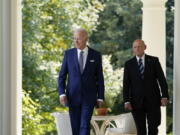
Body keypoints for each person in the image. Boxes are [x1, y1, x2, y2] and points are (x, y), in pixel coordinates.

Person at [58, 28, 105, 135]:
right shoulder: (68, 54)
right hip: (72, 96)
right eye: (74, 39)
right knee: (75, 126)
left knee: (84, 125)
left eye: (78, 39)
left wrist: (100, 97)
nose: (76, 41)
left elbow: (100, 78)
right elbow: (62, 76)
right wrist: (62, 94)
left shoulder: (95, 55)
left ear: (86, 39)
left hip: (89, 97)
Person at [123, 39, 169, 135]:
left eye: (139, 46)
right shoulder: (129, 64)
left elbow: (162, 80)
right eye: (135, 47)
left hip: (153, 101)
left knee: (153, 128)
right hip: (136, 102)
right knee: (140, 130)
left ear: (145, 47)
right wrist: (126, 101)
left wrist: (164, 96)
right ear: (133, 49)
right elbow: (126, 84)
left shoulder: (154, 61)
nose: (137, 49)